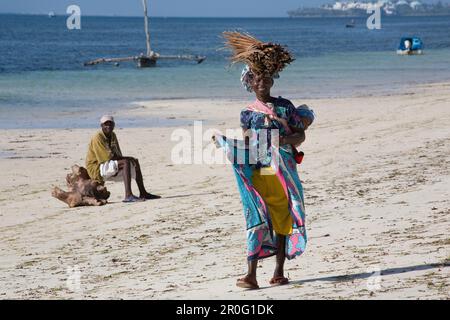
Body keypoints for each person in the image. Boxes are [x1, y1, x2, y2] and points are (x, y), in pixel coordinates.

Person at [215, 31, 314, 289]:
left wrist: (281, 142)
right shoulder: (248, 113)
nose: (262, 82)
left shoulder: (284, 107)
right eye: (257, 78)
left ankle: (278, 272)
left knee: (281, 216)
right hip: (261, 171)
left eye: (266, 78)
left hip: (283, 171)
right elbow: (248, 142)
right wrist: (228, 145)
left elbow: (300, 136)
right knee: (256, 213)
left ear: (272, 80)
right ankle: (251, 275)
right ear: (250, 82)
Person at [85, 115, 161, 203]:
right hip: (96, 167)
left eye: (110, 124)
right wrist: (127, 158)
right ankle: (128, 195)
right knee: (125, 162)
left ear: (114, 125)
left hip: (106, 164)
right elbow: (106, 158)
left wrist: (129, 159)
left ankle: (143, 192)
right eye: (105, 124)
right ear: (101, 126)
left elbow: (118, 154)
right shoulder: (97, 137)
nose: (108, 126)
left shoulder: (113, 135)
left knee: (134, 162)